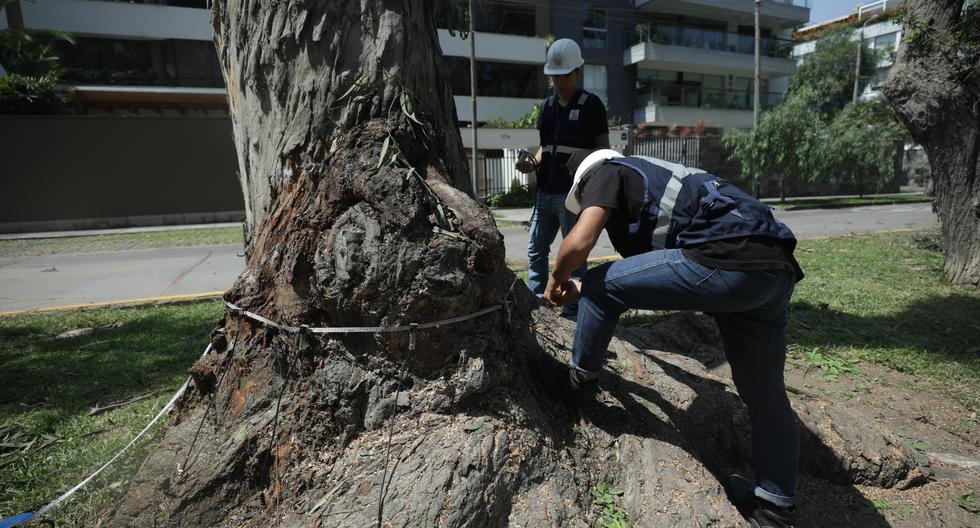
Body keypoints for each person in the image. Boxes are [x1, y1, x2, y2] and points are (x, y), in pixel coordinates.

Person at [544, 149, 805, 528]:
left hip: (724, 258)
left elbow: (580, 242)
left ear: (585, 183)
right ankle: (775, 506)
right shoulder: (661, 177)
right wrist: (584, 288)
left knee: (602, 285)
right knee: (765, 394)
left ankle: (577, 382)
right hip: (773, 270)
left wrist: (558, 276)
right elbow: (657, 271)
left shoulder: (606, 171)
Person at [515, 38, 609, 318]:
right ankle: (536, 305)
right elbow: (546, 147)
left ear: (578, 72)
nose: (559, 82)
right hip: (545, 190)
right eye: (554, 77)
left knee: (574, 257)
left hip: (573, 195)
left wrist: (584, 154)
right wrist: (533, 161)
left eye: (564, 75)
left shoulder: (592, 105)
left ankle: (573, 310)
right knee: (536, 250)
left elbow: (606, 150)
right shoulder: (546, 107)